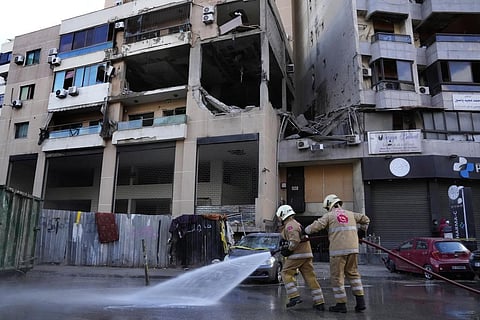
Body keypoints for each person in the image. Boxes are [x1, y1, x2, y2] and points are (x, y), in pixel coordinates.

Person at [304, 194, 370, 313]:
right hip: (353, 250)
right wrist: (362, 231)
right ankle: (361, 303)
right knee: (354, 274)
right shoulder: (351, 214)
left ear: (329, 205)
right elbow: (366, 219)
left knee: (337, 277)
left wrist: (305, 230)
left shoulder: (329, 216)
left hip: (338, 252)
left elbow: (315, 227)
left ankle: (341, 304)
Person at [276, 204, 325, 311]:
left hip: (297, 255)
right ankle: (319, 302)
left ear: (283, 215)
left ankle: (294, 296)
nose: (279, 219)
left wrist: (288, 250)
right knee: (310, 277)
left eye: (279, 217)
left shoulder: (290, 225)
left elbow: (294, 241)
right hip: (306, 254)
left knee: (285, 272)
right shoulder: (296, 224)